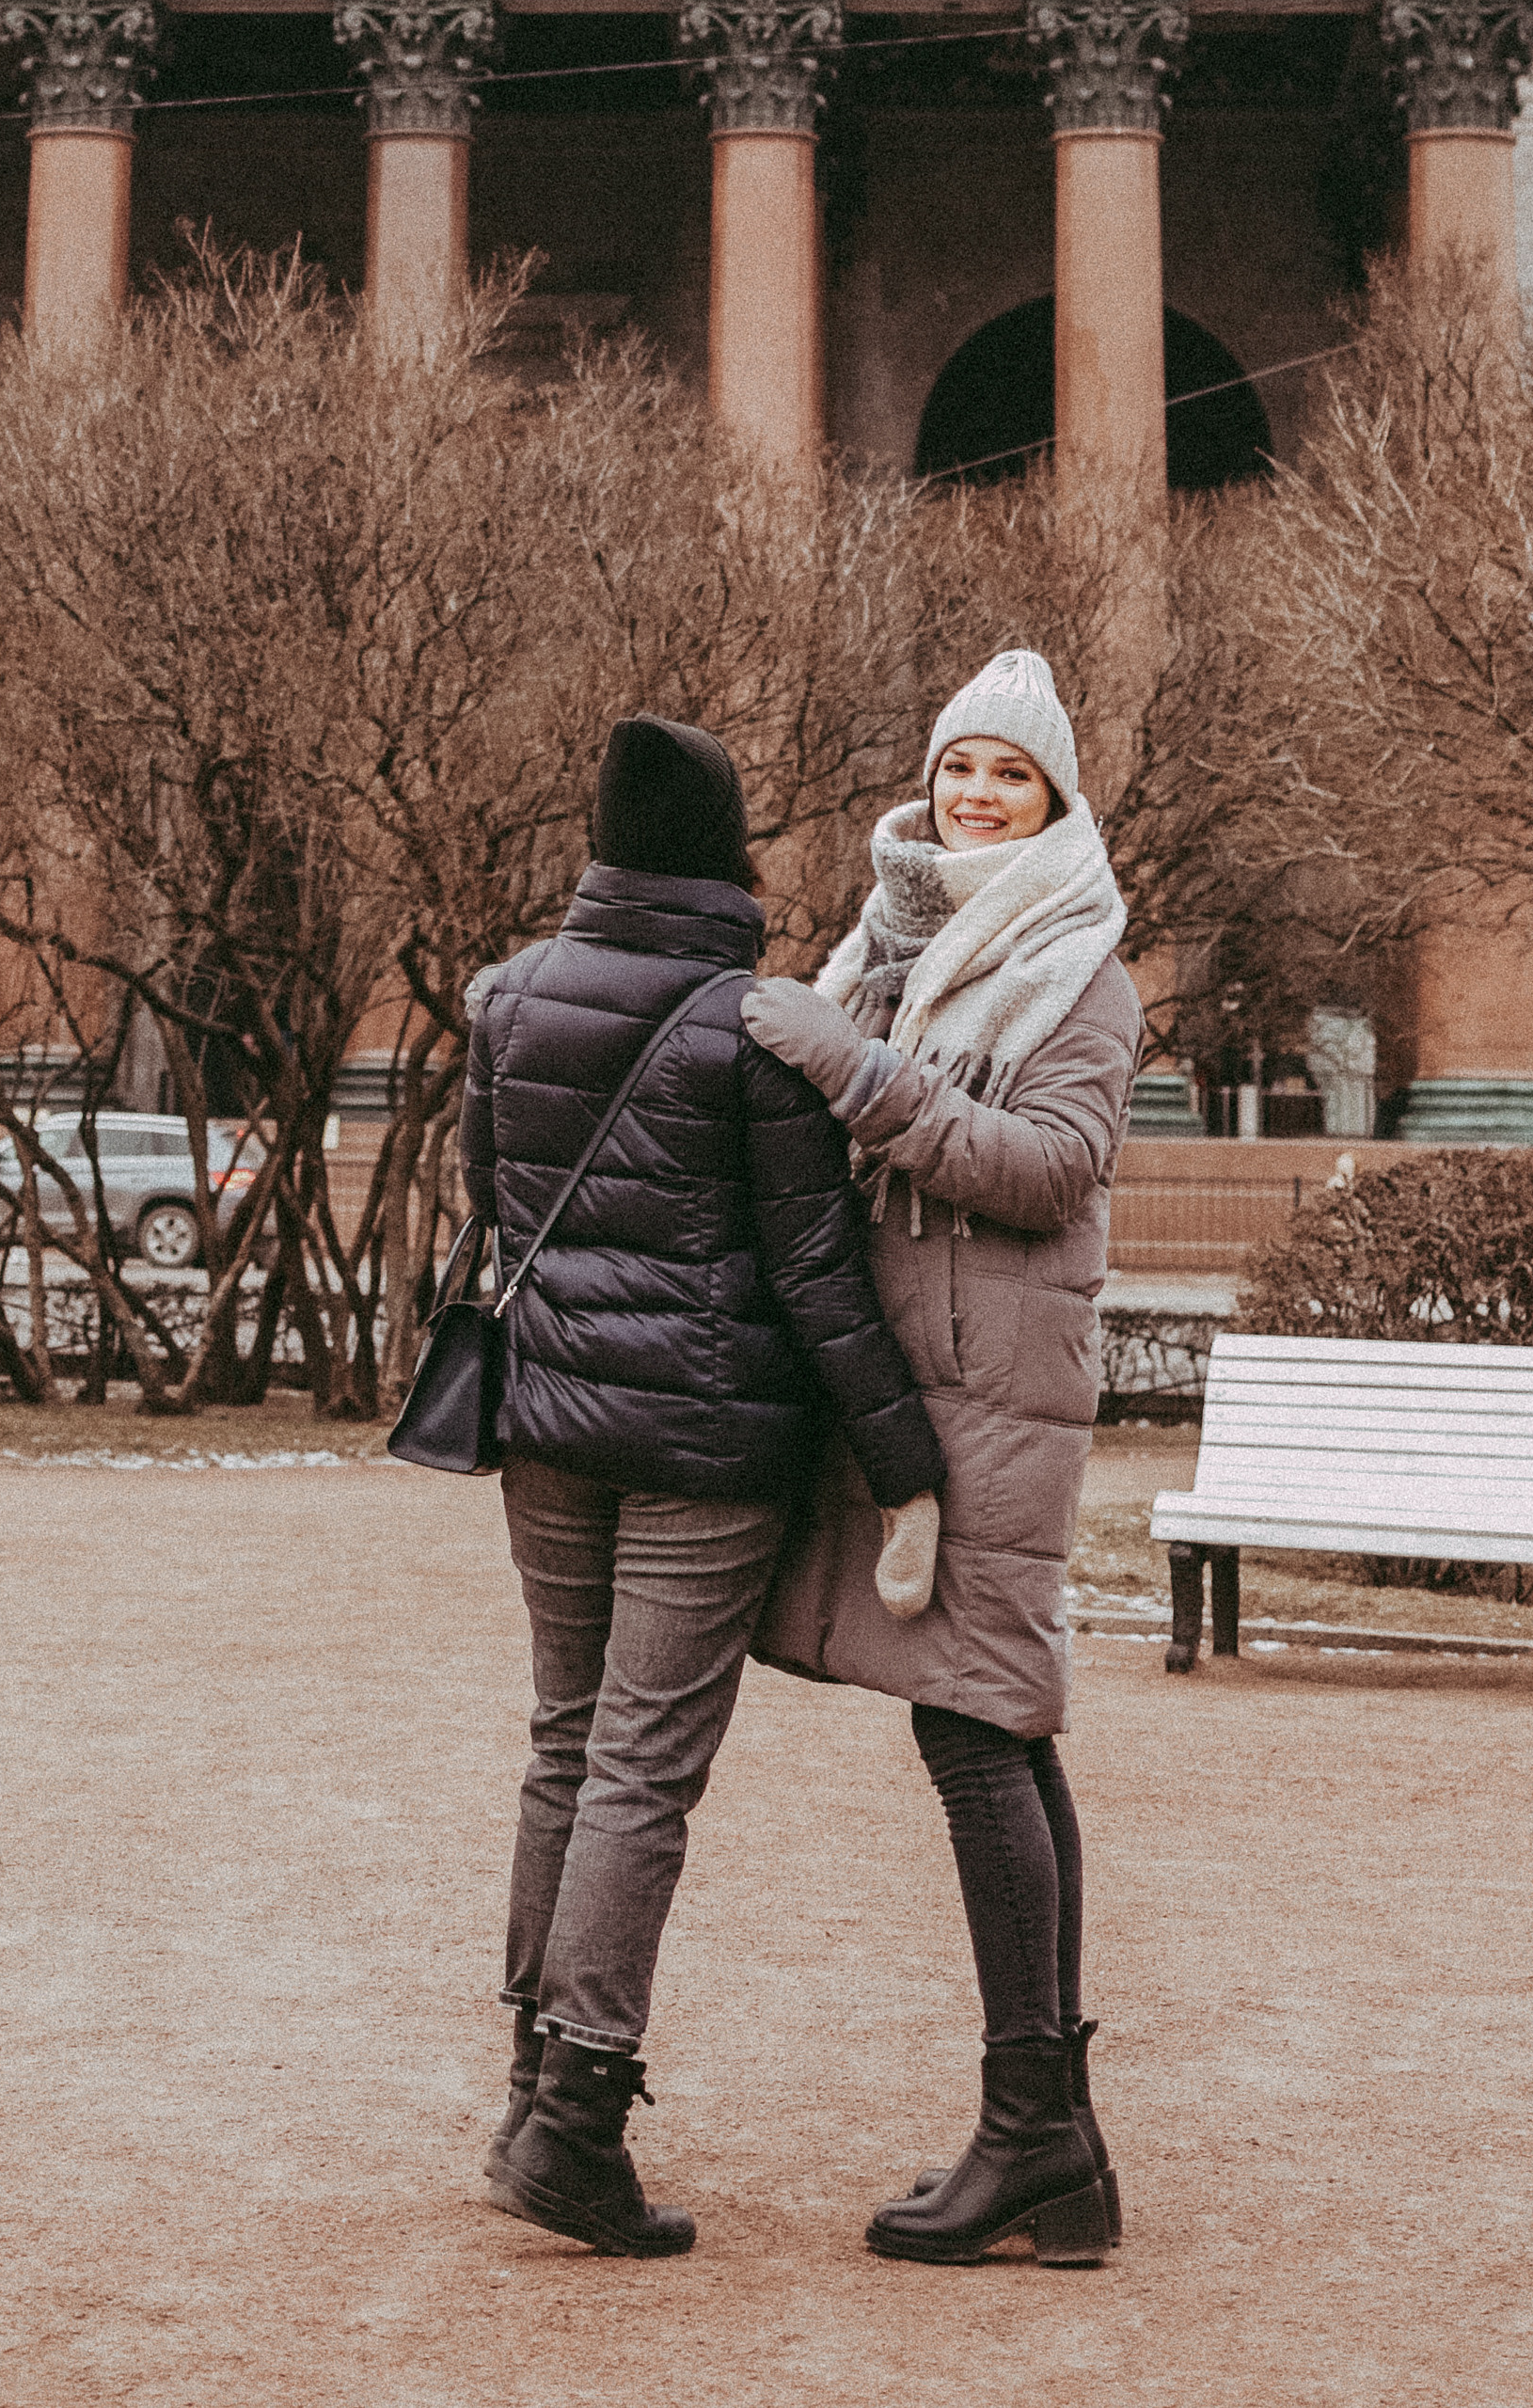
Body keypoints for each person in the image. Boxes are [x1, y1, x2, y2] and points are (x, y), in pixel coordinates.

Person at [464, 714, 946, 2260]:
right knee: (640, 1768)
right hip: (703, 1442)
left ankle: (532, 2084)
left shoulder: (505, 997)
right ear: (722, 849)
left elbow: (494, 1204)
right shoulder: (756, 1021)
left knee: (564, 1741)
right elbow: (813, 1272)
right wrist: (904, 1464)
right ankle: (578, 2120)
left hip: (544, 1420)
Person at [740, 649, 1142, 2270]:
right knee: (994, 1733)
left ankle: (1033, 2132)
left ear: (1055, 806)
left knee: (982, 1736)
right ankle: (1053, 2145)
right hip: (928, 1385)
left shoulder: (1080, 963)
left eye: (1012, 780)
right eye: (961, 768)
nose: (977, 797)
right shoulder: (894, 940)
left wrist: (851, 1068)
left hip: (994, 1393)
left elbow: (1051, 1169)